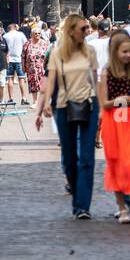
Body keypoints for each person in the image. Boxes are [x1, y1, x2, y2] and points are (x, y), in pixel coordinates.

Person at [36, 14, 100, 219]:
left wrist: (102, 108)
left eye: (88, 28)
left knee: (87, 159)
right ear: (71, 30)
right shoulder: (57, 53)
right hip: (64, 106)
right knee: (71, 159)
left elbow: (96, 80)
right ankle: (76, 195)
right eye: (83, 29)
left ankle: (82, 206)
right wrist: (45, 104)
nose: (87, 32)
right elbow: (51, 80)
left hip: (89, 104)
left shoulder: (90, 51)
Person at [99, 31, 130, 224]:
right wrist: (120, 100)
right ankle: (121, 207)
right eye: (125, 52)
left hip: (129, 121)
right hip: (112, 122)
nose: (128, 55)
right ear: (115, 51)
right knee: (116, 162)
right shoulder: (106, 73)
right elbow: (104, 103)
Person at [3, 20, 29, 105]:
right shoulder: (20, 34)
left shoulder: (6, 36)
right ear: (15, 28)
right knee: (21, 78)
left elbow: (4, 48)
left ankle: (11, 98)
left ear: (9, 29)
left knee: (9, 78)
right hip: (19, 59)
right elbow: (26, 45)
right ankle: (24, 98)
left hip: (9, 59)